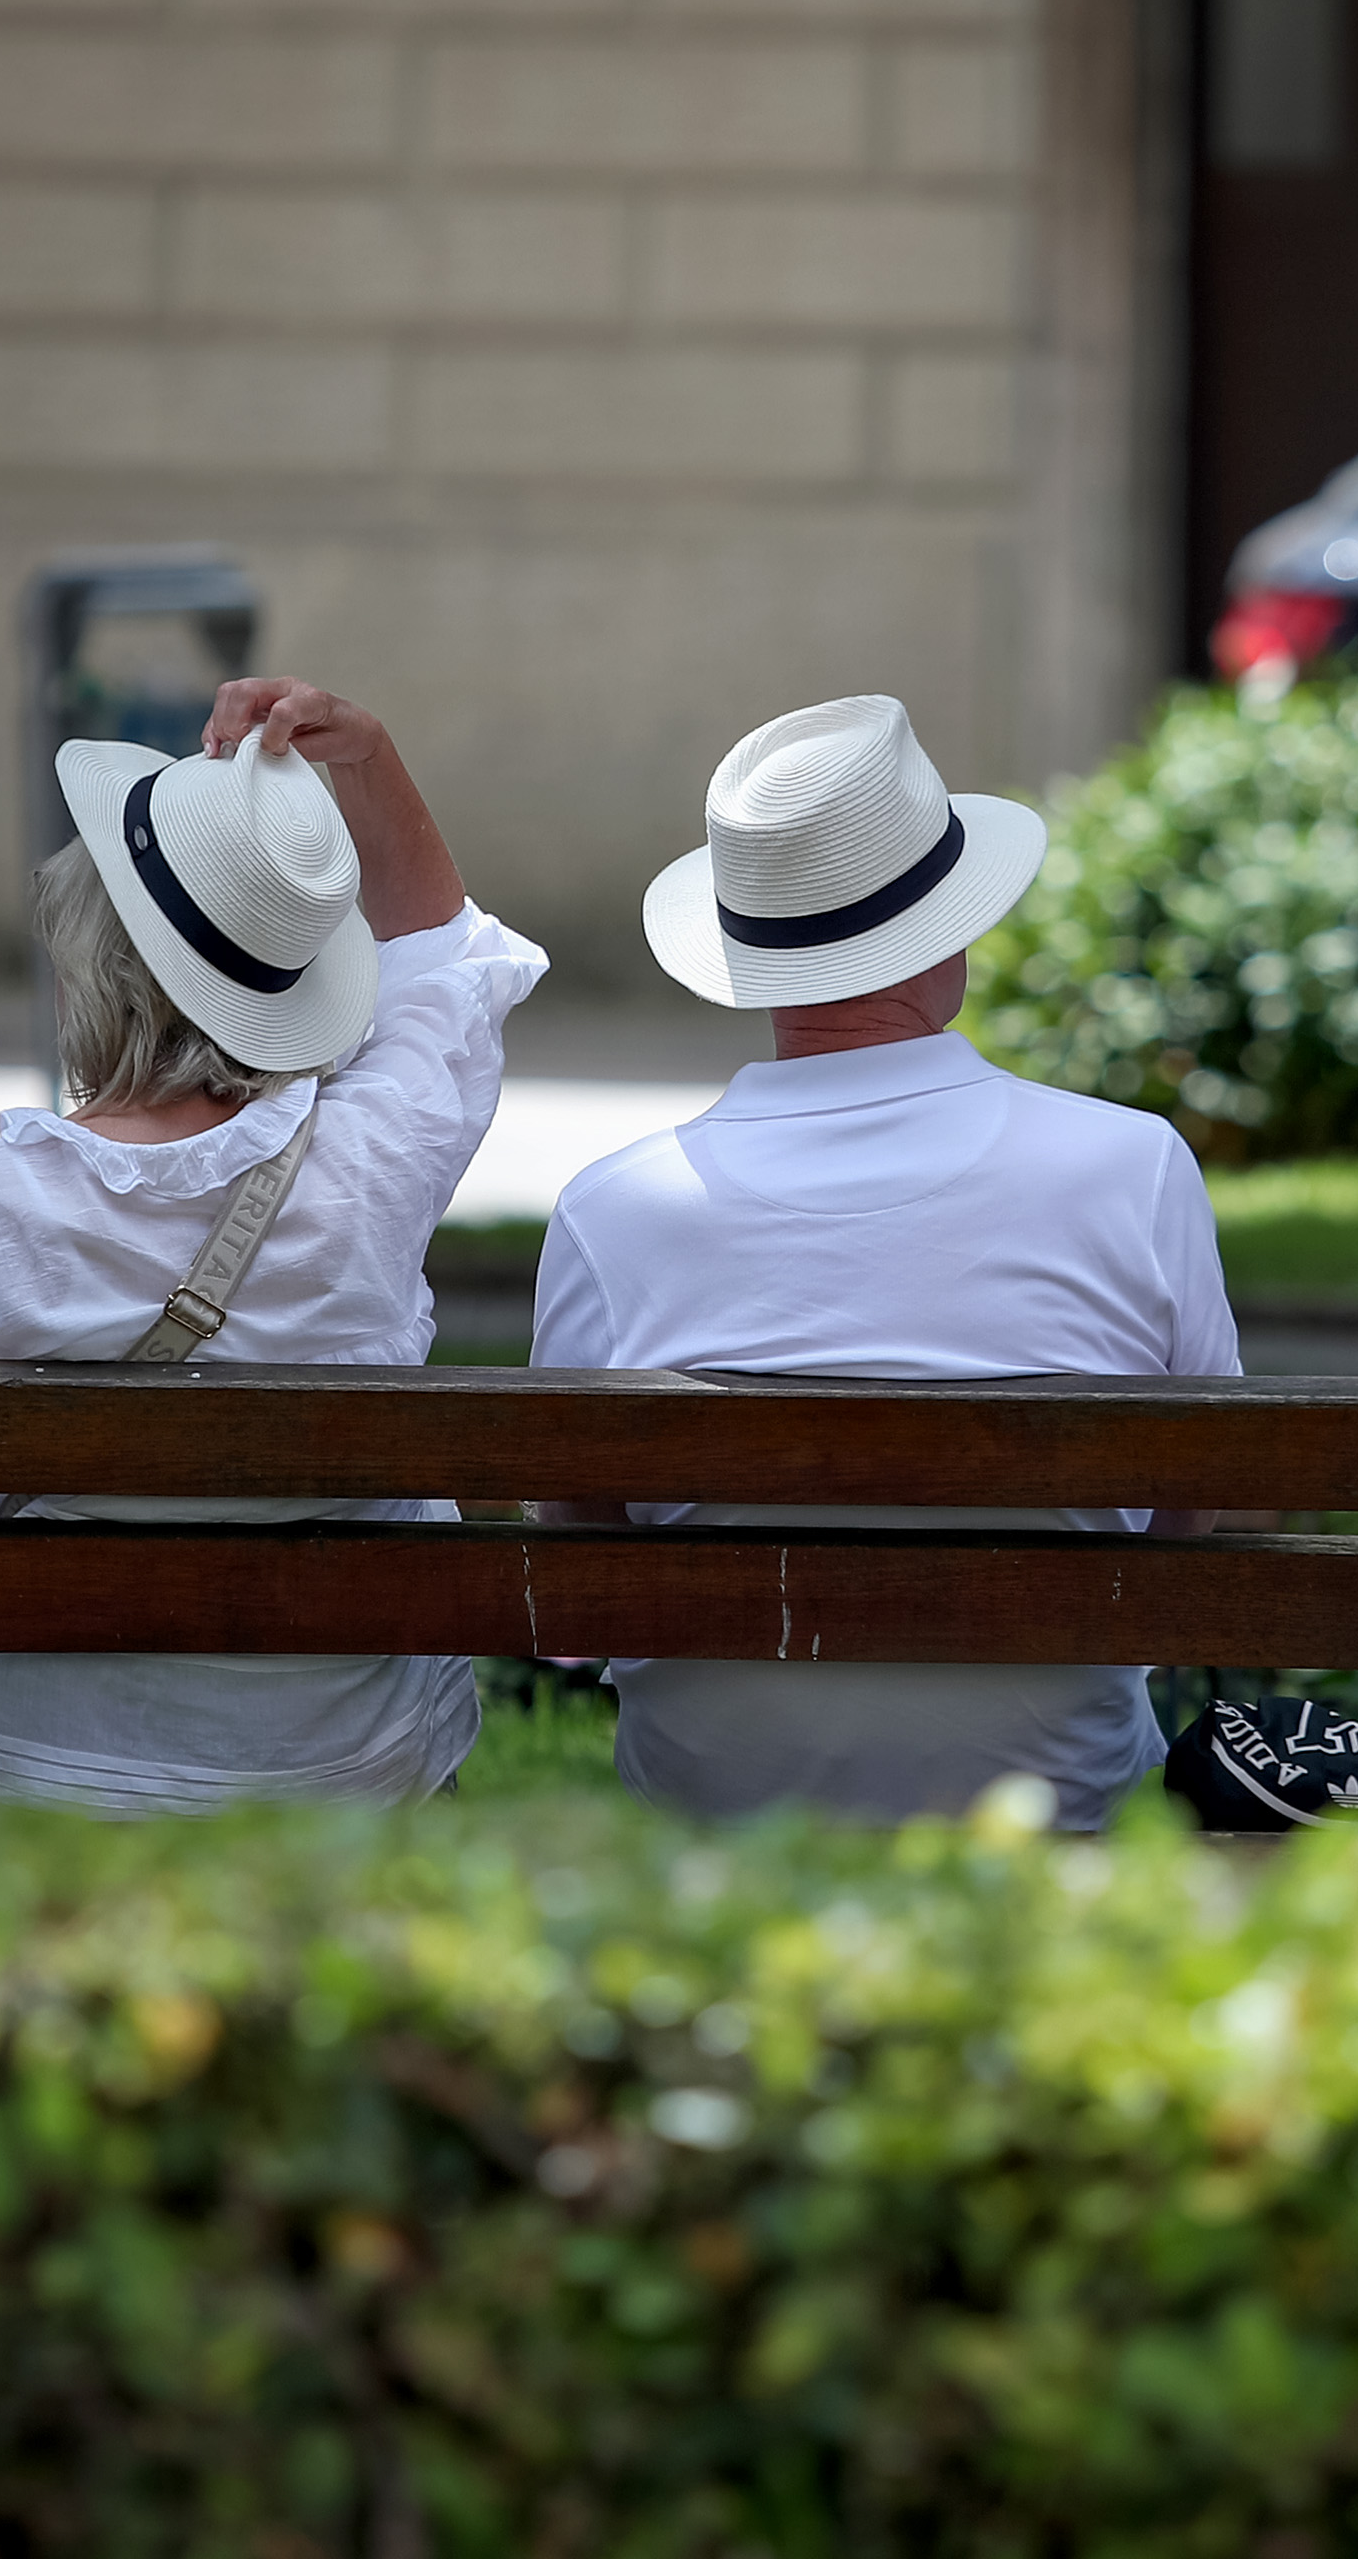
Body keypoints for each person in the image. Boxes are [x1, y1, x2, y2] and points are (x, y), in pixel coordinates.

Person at [531, 692, 1246, 1828]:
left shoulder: (616, 1208)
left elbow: (584, 1536)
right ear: (946, 931)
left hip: (717, 1801)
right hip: (1050, 1796)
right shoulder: (1130, 1167)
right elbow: (1201, 1494)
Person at [0, 678, 547, 1811]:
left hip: (36, 1766)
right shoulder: (375, 1159)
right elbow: (451, 959)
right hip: (351, 1763)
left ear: (90, 967)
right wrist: (366, 760)